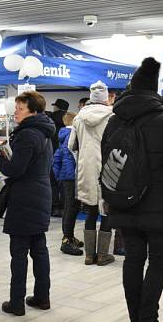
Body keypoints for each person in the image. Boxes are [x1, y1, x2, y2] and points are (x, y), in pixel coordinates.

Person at [102, 59, 163, 322]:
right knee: (157, 263)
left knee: (133, 260)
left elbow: (106, 159)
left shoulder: (115, 119)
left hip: (124, 203)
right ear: (154, 90)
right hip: (160, 206)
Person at [0, 91, 55, 316]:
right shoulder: (45, 132)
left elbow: (15, 170)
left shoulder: (27, 134)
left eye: (20, 108)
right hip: (41, 193)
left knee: (19, 251)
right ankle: (42, 297)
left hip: (24, 197)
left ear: (32, 110)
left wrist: (0, 158)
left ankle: (16, 302)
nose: (16, 112)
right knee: (39, 248)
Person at [69, 81, 116, 266]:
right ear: (105, 98)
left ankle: (89, 255)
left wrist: (81, 161)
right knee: (106, 212)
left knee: (91, 211)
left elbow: (71, 145)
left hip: (86, 169)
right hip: (108, 169)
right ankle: (103, 255)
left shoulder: (79, 117)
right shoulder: (113, 117)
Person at [53, 112, 81, 255]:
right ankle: (67, 238)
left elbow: (56, 158)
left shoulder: (62, 136)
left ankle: (68, 235)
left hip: (66, 176)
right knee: (72, 207)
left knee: (68, 206)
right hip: (74, 175)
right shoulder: (74, 135)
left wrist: (59, 176)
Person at [48, 98, 69, 218]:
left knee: (52, 183)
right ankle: (64, 207)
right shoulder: (70, 120)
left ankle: (55, 207)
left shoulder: (50, 119)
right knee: (64, 183)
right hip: (65, 155)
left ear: (57, 107)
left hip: (52, 154)